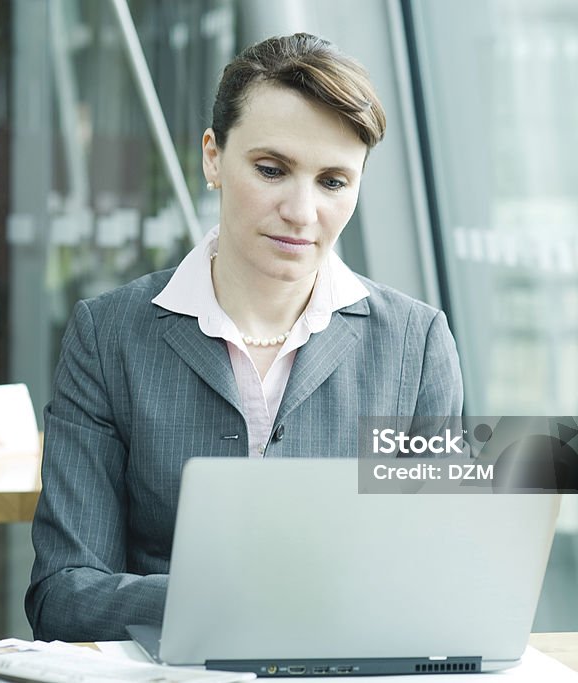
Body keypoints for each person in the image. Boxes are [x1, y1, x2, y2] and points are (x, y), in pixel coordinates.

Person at [26, 32, 463, 642]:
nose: (301, 210)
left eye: (333, 181)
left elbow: (444, 581)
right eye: (271, 169)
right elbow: (63, 594)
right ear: (213, 158)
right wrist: (247, 601)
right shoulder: (109, 336)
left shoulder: (416, 346)